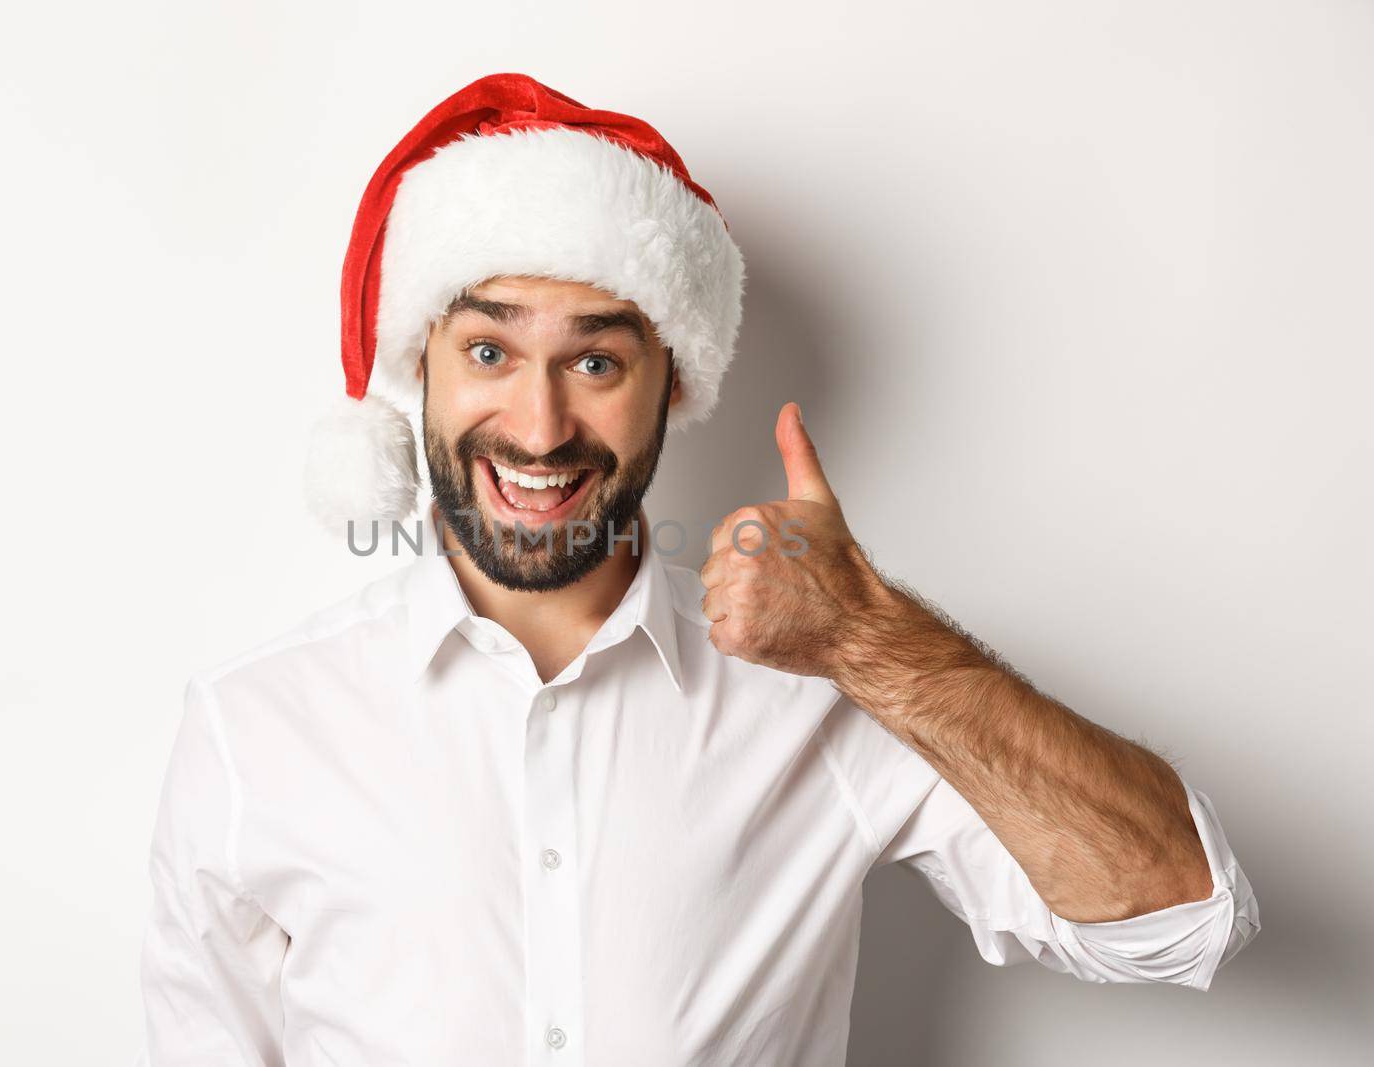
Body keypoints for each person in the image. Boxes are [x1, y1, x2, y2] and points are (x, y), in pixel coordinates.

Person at [136, 72, 1259, 1066]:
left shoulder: (831, 684)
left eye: (594, 357)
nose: (537, 425)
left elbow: (1178, 916)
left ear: (672, 382)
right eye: (488, 349)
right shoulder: (254, 728)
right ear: (414, 370)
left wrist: (871, 637)